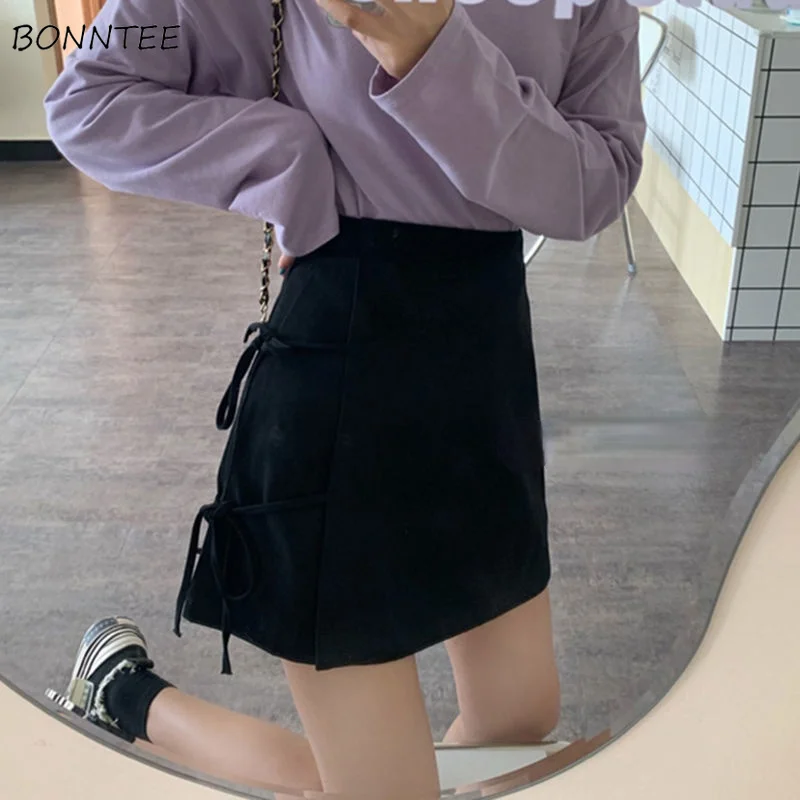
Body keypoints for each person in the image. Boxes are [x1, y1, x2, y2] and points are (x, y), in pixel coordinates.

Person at [43, 0, 645, 797]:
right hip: (342, 372)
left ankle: (127, 693)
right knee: (384, 790)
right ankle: (127, 695)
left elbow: (599, 178)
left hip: (483, 368)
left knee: (518, 724)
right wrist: (286, 159)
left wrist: (434, 54)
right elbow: (90, 99)